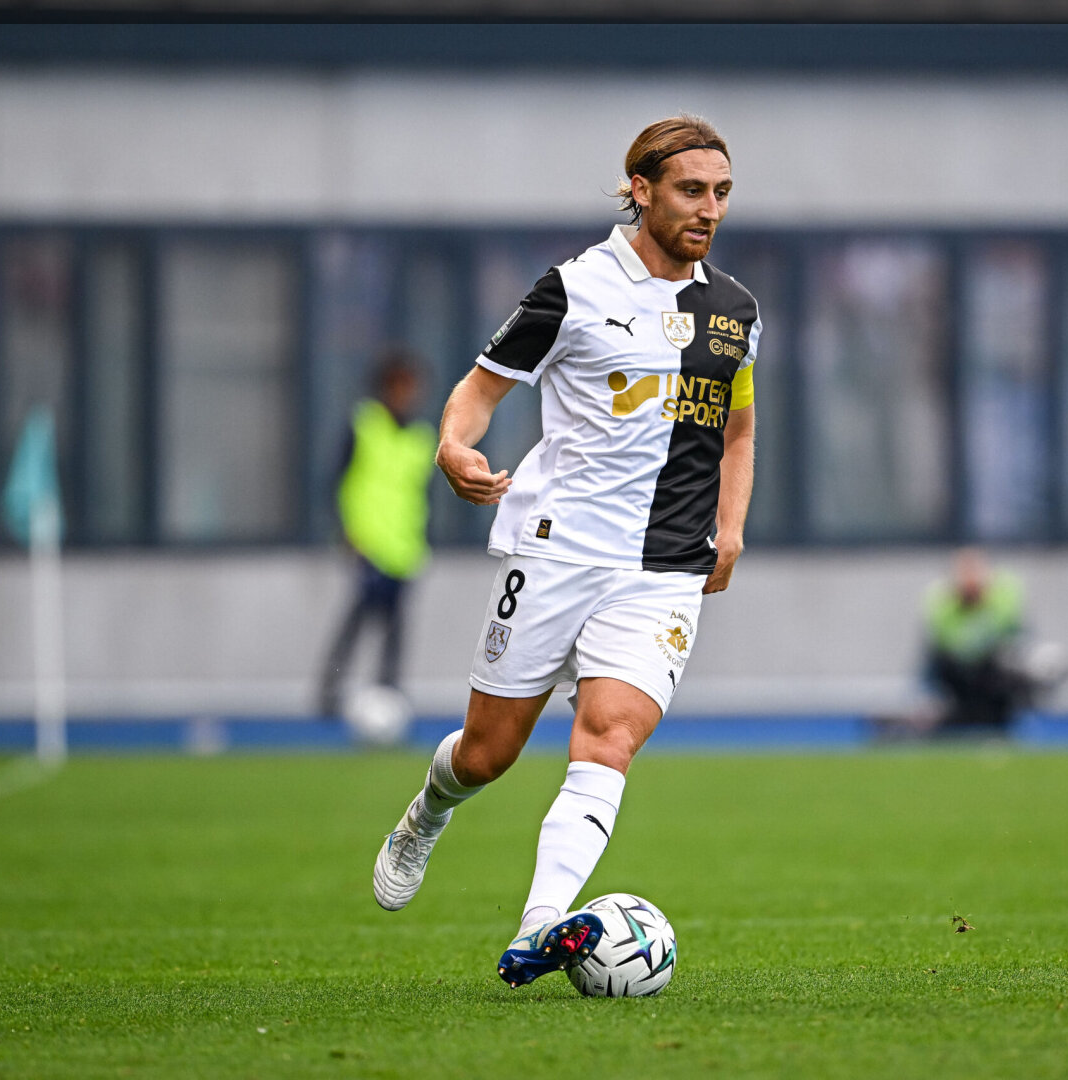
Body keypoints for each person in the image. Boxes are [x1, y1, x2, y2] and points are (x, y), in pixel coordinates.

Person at [370, 115, 759, 988]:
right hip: (555, 553)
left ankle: (539, 926)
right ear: (641, 190)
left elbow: (737, 428)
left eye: (722, 193)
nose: (709, 209)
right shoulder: (575, 288)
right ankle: (426, 813)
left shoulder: (735, 311)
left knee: (609, 735)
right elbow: (479, 391)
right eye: (691, 191)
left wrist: (731, 526)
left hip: (663, 568)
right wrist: (453, 447)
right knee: (487, 753)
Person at [317, 351, 436, 718]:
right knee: (356, 621)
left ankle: (388, 696)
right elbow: (336, 482)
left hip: (404, 549)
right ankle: (330, 691)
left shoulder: (422, 436)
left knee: (395, 630)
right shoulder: (364, 425)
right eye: (401, 385)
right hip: (367, 545)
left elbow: (422, 494)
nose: (408, 394)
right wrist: (346, 532)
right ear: (385, 386)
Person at [922, 548, 1048, 731]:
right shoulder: (940, 603)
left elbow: (1014, 631)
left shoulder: (1005, 592)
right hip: (961, 671)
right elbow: (951, 646)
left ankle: (1016, 716)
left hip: (997, 668)